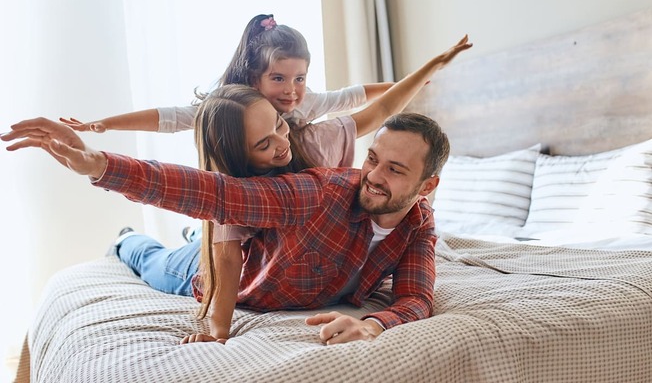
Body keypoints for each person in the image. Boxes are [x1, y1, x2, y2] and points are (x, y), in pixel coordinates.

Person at [2, 110, 449, 346]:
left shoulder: (418, 225)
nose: (372, 175)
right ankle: (126, 240)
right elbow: (217, 194)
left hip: (258, 245)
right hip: (226, 273)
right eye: (372, 158)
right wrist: (98, 165)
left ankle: (189, 237)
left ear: (426, 186)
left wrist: (374, 325)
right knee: (151, 260)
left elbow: (414, 298)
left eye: (394, 170)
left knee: (213, 231)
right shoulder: (319, 192)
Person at [59, 14, 394, 134]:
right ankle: (129, 241)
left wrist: (403, 84)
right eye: (278, 79)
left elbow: (353, 95)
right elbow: (171, 118)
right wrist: (104, 123)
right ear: (253, 79)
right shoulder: (230, 109)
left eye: (300, 78)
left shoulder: (307, 105)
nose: (292, 90)